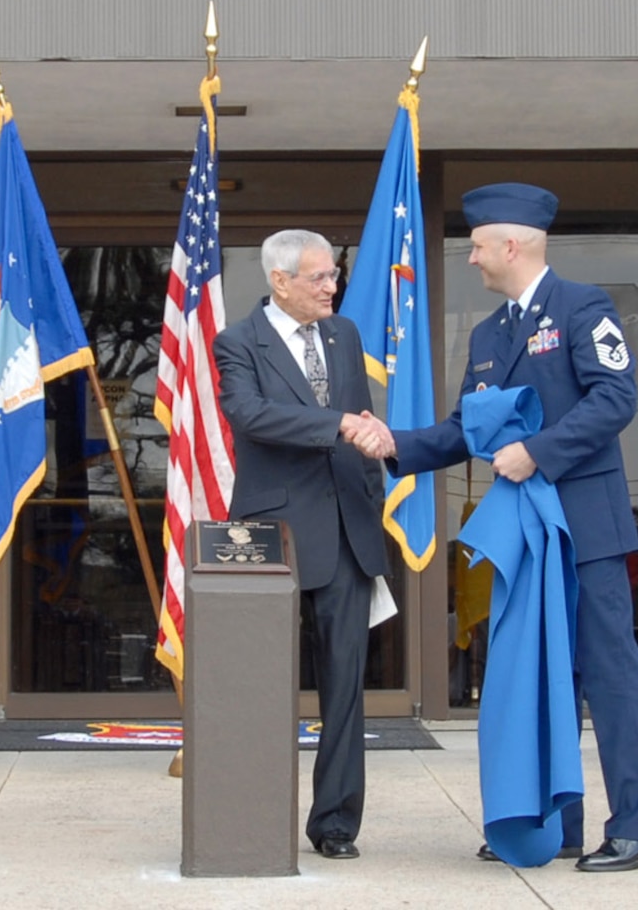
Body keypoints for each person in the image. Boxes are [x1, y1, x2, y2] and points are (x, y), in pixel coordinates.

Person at [364, 184, 638, 873]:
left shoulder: (583, 307)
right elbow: (462, 430)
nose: (471, 259)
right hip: (525, 540)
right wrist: (395, 445)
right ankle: (550, 824)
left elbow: (615, 398)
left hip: (586, 527)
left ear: (512, 244)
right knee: (540, 675)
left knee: (610, 674)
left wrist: (539, 450)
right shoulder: (488, 335)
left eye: (477, 246)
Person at [214, 229, 390, 862]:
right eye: (317, 277)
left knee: (344, 687)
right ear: (279, 280)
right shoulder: (237, 342)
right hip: (272, 534)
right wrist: (335, 424)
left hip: (346, 533)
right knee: (259, 685)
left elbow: (364, 422)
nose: (331, 286)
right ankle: (249, 812)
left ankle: (336, 823)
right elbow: (251, 417)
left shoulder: (344, 336)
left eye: (333, 275)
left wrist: (371, 502)